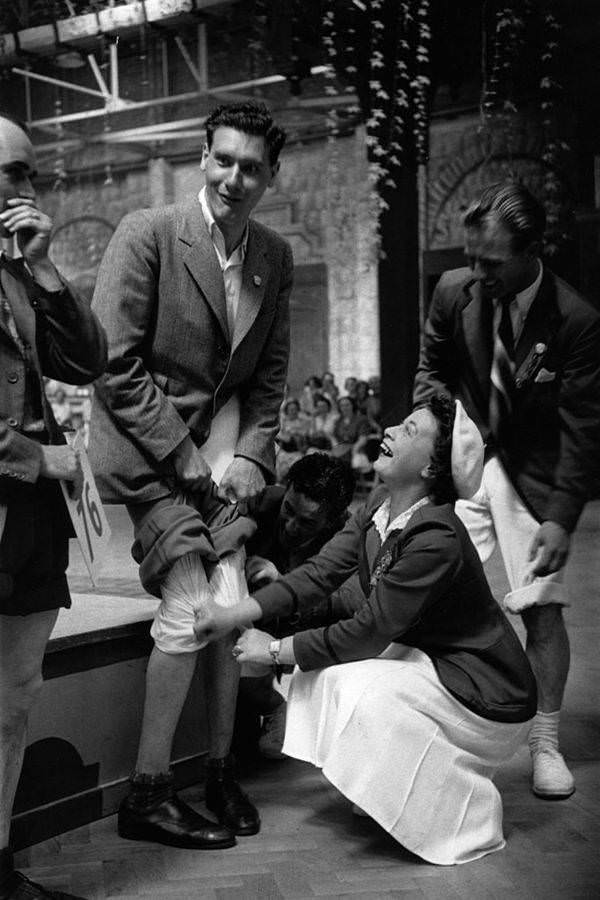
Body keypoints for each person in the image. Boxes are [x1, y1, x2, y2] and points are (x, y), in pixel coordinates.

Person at [193, 394, 537, 866]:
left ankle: (467, 815)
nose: (392, 430)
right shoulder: (379, 505)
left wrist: (273, 650)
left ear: (432, 467)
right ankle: (392, 792)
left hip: (491, 693)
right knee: (329, 676)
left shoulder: (435, 537)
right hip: (441, 668)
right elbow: (319, 573)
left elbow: (367, 632)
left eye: (410, 430)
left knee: (355, 684)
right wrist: (233, 615)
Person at [89, 101, 293, 850]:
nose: (234, 178)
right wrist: (186, 458)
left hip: (224, 462)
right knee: (188, 606)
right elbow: (113, 363)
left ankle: (216, 773)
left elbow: (269, 378)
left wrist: (251, 455)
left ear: (271, 175)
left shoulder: (272, 255)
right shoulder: (147, 233)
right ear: (201, 158)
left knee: (231, 606)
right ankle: (146, 792)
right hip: (150, 458)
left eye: (251, 167)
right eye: (222, 160)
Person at [413, 182, 600, 800]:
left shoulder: (575, 321)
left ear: (531, 251)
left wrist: (562, 519)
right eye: (471, 258)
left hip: (534, 477)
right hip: (468, 457)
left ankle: (545, 744)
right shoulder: (452, 292)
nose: (477, 272)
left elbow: (581, 432)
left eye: (490, 263)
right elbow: (432, 371)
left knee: (540, 608)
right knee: (422, 585)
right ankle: (423, 726)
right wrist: (433, 436)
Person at [0, 113, 107, 900]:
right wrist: (46, 457)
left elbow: (88, 359)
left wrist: (43, 271)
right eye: (12, 173)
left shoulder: (15, 267)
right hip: (23, 487)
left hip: (30, 521)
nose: (25, 190)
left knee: (15, 699)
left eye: (30, 174)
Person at [234, 453, 355, 759]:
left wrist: (286, 585)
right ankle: (269, 703)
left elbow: (351, 601)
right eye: (289, 510)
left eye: (307, 521)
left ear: (333, 519)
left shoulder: (350, 534)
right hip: (254, 624)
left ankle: (295, 708)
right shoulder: (261, 503)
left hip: (306, 636)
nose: (290, 525)